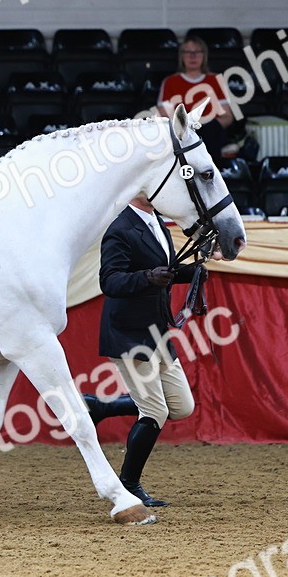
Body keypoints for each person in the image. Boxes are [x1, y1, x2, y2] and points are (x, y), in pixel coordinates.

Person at [87, 194, 204, 507]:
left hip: (157, 331)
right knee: (154, 412)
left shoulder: (157, 224)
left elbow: (163, 270)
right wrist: (147, 277)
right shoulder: (120, 227)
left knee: (181, 407)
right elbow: (109, 280)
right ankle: (128, 485)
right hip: (129, 333)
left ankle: (102, 408)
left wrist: (190, 273)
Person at [158, 36, 238, 159]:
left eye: (197, 52)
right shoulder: (170, 82)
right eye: (188, 52)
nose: (192, 56)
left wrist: (205, 126)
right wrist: (189, 127)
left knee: (209, 129)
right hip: (182, 133)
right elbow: (165, 117)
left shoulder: (216, 80)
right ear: (182, 56)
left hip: (211, 133)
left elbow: (227, 117)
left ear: (204, 56)